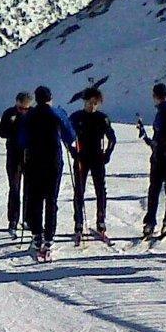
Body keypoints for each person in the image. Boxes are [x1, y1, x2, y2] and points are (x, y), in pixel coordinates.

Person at [19, 85, 77, 261]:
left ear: (36, 99)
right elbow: (70, 136)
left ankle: (37, 235)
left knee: (35, 198)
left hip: (34, 161)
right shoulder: (57, 113)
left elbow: (22, 139)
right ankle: (49, 238)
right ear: (50, 98)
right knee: (51, 199)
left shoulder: (30, 115)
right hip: (53, 161)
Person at [69, 87, 117, 243]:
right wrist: (72, 151)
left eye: (96, 103)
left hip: (97, 158)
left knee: (100, 190)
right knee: (79, 190)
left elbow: (112, 139)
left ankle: (101, 221)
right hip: (81, 158)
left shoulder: (102, 118)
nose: (92, 106)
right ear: (85, 101)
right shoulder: (76, 117)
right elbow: (66, 136)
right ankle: (78, 223)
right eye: (90, 103)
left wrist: (107, 154)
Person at [139, 82, 166, 238]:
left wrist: (156, 144)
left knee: (164, 189)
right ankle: (154, 222)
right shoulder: (164, 110)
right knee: (157, 189)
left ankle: (165, 221)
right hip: (161, 155)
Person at [0, 91, 33, 237]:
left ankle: (28, 219)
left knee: (29, 190)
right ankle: (13, 219)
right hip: (14, 156)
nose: (23, 111)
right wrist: (11, 125)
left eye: (26, 108)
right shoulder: (9, 113)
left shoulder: (33, 114)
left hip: (30, 156)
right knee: (14, 188)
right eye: (21, 108)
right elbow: (1, 132)